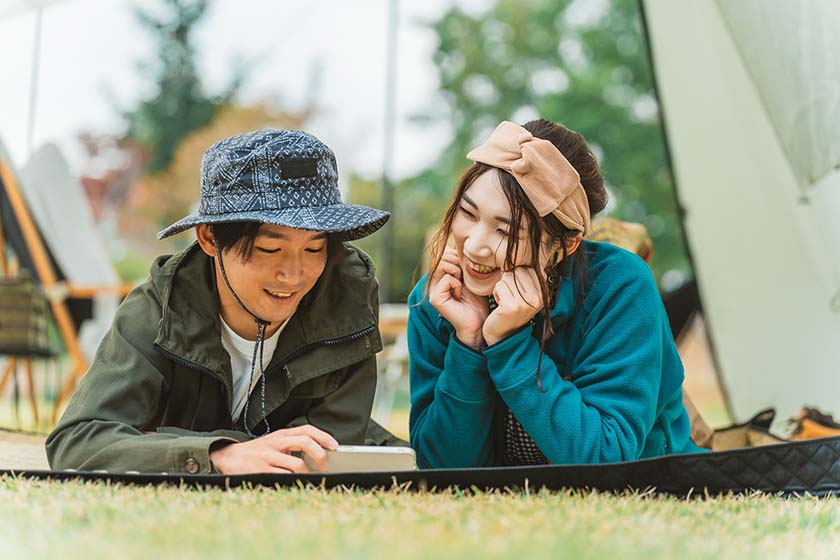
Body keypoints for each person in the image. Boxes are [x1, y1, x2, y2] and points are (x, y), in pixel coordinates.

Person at [47, 129, 397, 474]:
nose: (293, 274)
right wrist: (218, 454)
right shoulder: (158, 309)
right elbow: (78, 440)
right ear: (209, 238)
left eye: (314, 248)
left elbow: (331, 447)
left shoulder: (348, 295)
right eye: (269, 249)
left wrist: (158, 438)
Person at [407, 119, 705, 468]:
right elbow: (442, 468)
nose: (475, 246)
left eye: (506, 231)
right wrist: (469, 342)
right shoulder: (441, 297)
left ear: (565, 244)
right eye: (468, 213)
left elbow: (605, 457)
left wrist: (509, 344)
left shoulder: (619, 287)